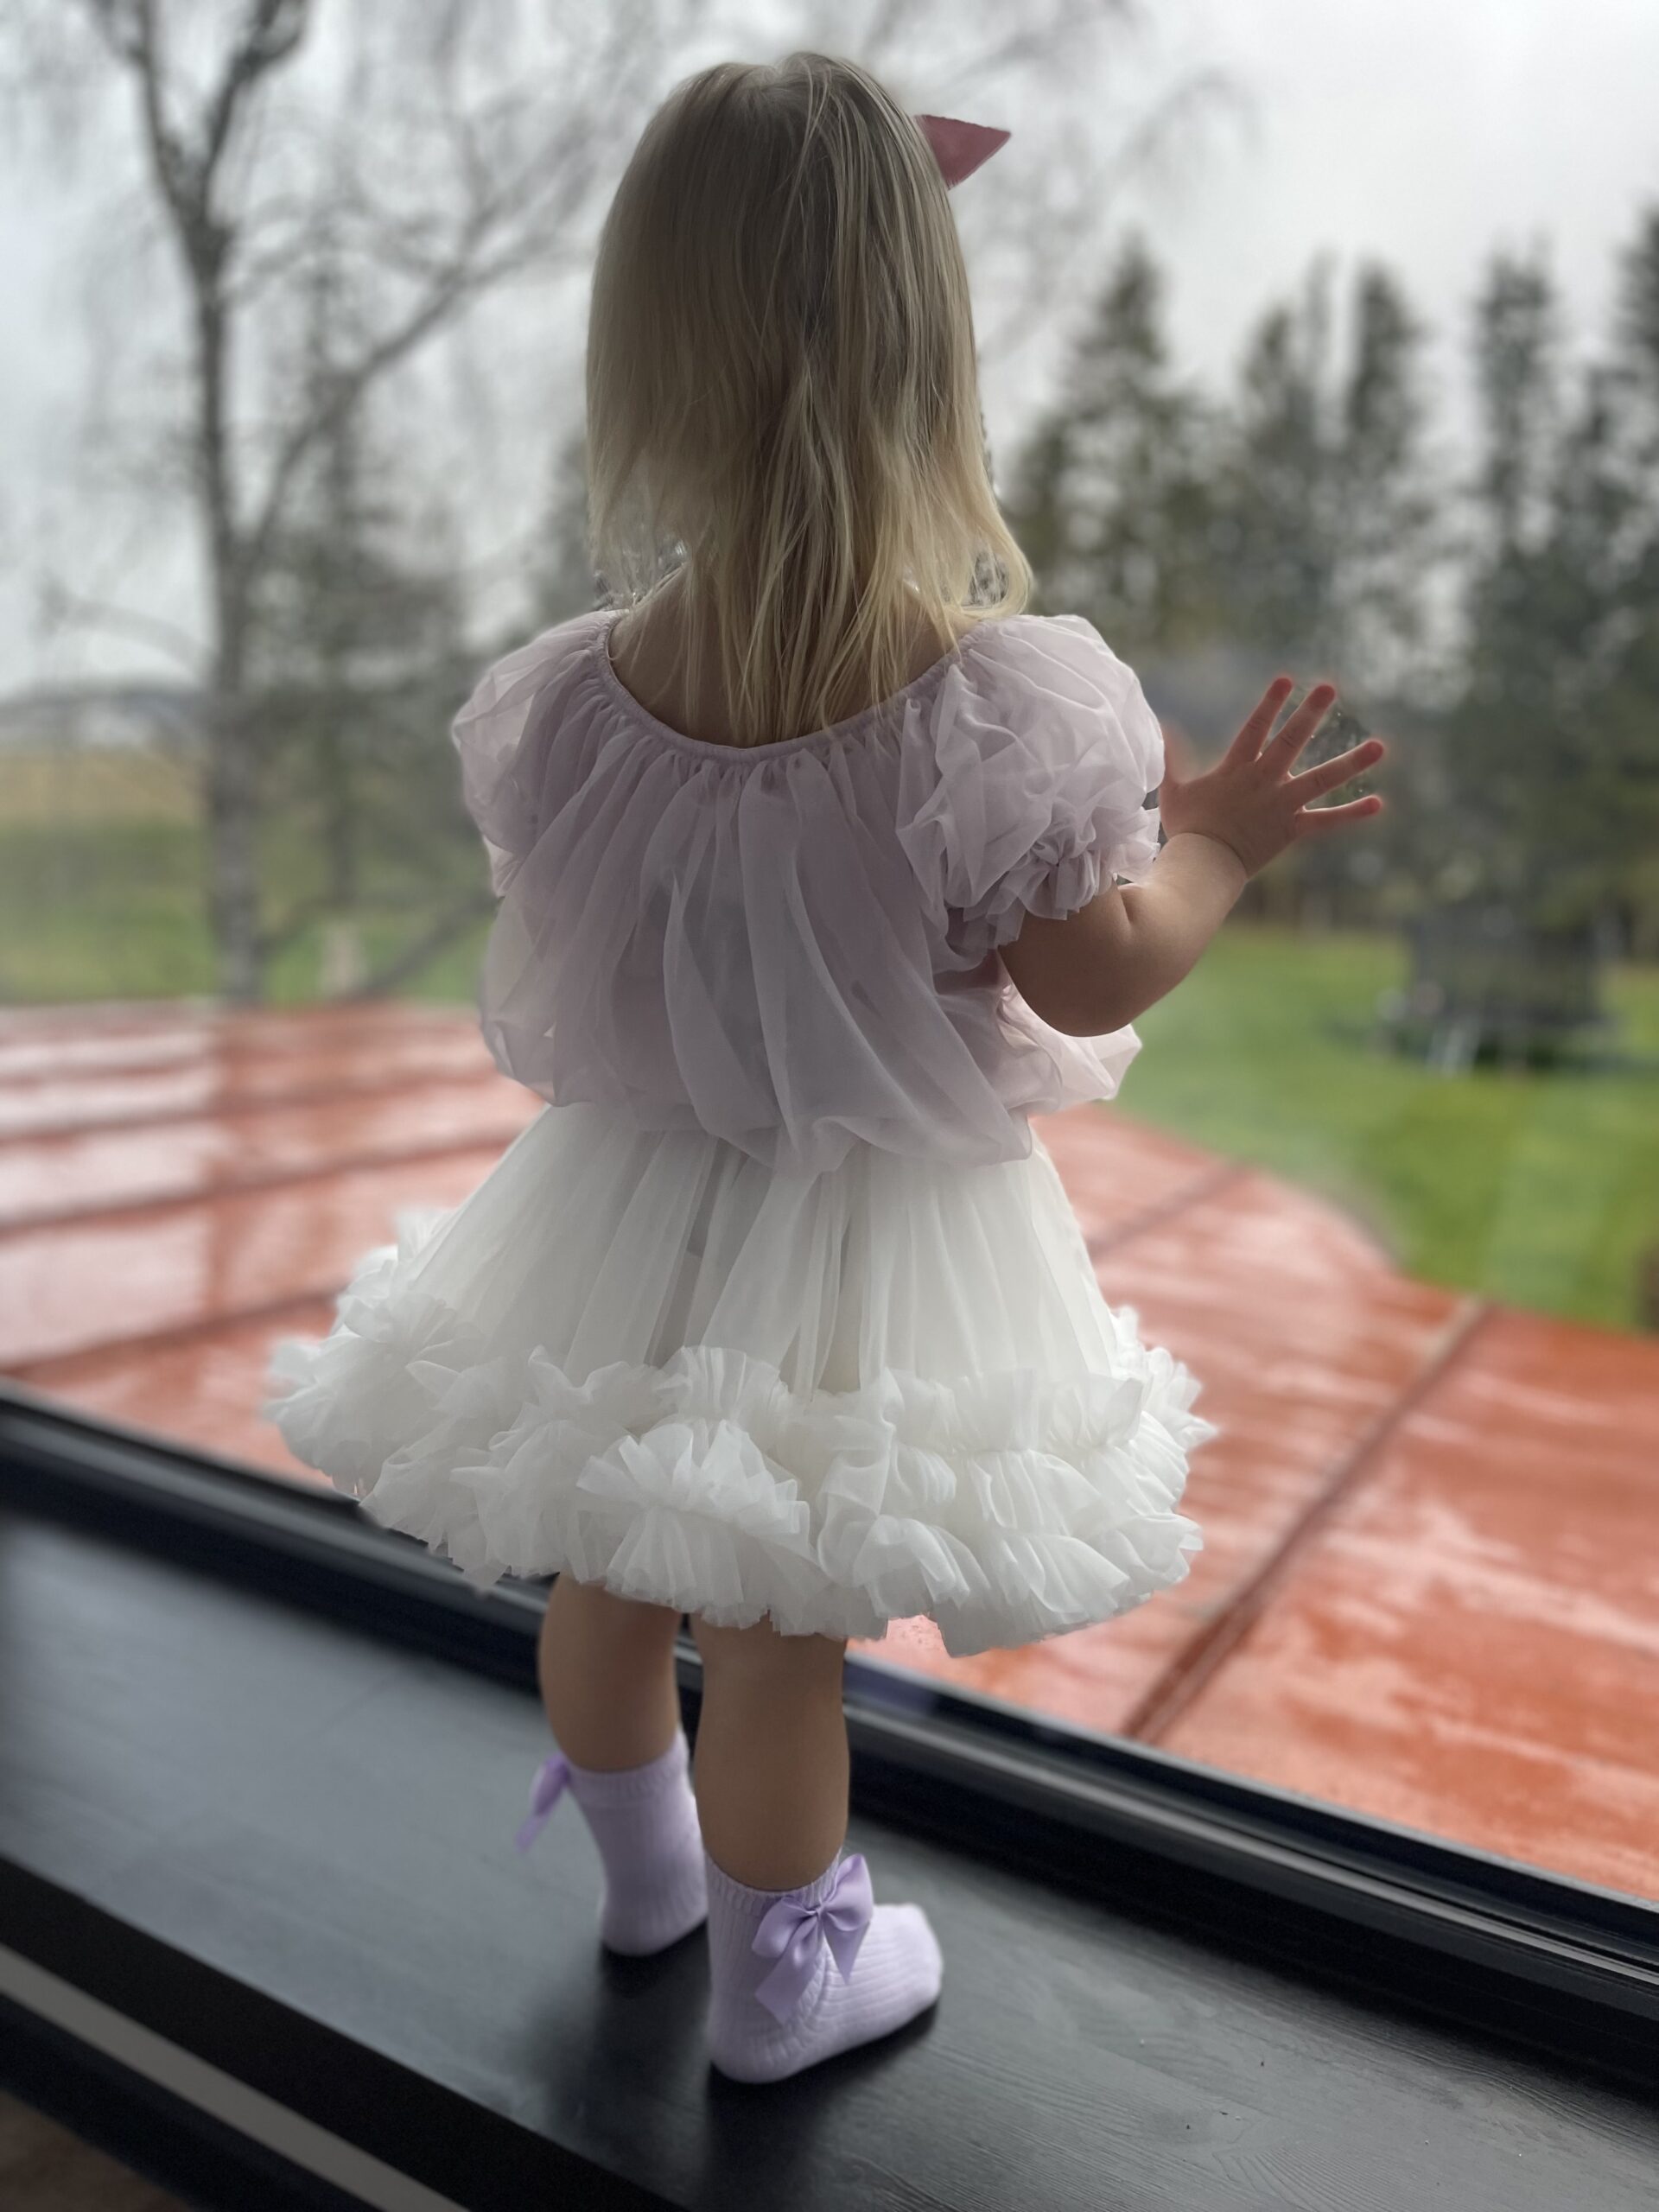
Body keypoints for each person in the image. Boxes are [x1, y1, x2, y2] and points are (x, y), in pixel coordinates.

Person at [264, 51, 1384, 2086]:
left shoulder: (577, 703)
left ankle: (645, 1882)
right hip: (865, 1237)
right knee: (779, 1622)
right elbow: (1092, 966)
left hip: (625, 1207)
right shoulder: (988, 705)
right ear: (924, 356)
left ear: (648, 348)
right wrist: (1218, 843)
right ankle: (780, 1988)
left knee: (609, 1555)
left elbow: (627, 939)